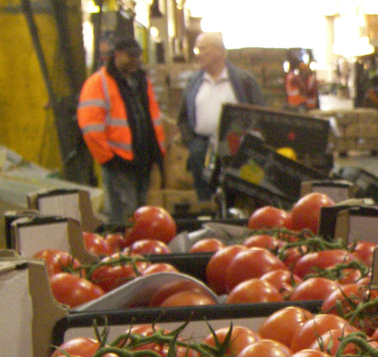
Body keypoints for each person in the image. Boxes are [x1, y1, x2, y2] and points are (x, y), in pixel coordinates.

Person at [77, 36, 165, 226]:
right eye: (130, 56)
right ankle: (123, 250)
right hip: (118, 161)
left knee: (140, 215)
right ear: (116, 55)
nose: (135, 60)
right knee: (124, 216)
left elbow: (152, 117)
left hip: (142, 159)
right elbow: (91, 126)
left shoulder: (141, 81)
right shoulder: (98, 83)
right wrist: (108, 158)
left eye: (138, 56)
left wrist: (158, 152)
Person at [178, 32, 263, 201]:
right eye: (197, 49)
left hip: (235, 147)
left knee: (236, 194)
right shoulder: (194, 82)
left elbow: (260, 114)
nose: (198, 54)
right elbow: (183, 117)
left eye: (203, 49)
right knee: (206, 196)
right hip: (202, 148)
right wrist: (192, 143)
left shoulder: (243, 81)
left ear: (219, 51)